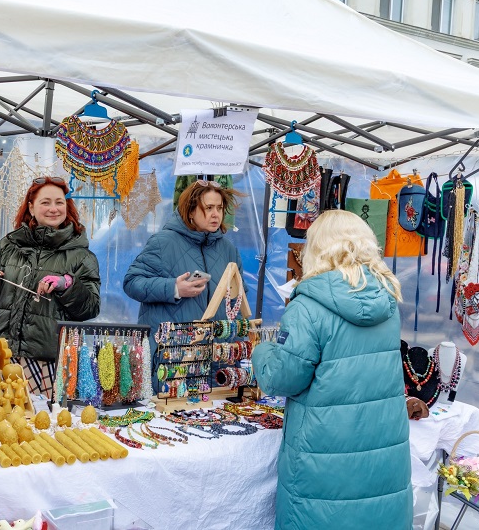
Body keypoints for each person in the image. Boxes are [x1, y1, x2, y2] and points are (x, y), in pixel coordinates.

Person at [252, 209, 413, 530]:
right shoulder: (387, 300)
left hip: (322, 453)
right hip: (382, 451)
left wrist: (262, 351)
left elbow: (282, 378)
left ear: (317, 248)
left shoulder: (307, 306)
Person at [0, 176, 100, 399]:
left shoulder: (82, 256)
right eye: (45, 202)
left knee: (40, 419)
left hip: (46, 361)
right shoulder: (9, 245)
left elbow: (91, 308)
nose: (53, 209)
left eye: (59, 202)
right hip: (2, 355)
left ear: (67, 206)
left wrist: (67, 285)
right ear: (31, 207)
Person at [124, 179, 244, 368]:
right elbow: (132, 282)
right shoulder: (163, 242)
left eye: (219, 208)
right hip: (173, 359)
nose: (216, 214)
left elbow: (237, 302)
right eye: (209, 208)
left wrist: (235, 347)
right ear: (190, 211)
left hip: (217, 362)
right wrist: (174, 288)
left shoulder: (228, 250)